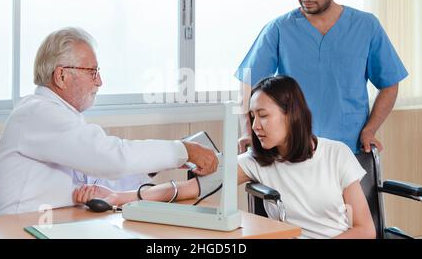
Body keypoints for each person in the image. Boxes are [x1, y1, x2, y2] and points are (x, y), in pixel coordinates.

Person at [74, 76, 376, 239]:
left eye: (264, 116)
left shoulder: (335, 154)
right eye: (252, 116)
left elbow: (364, 229)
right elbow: (190, 189)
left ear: (291, 114)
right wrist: (119, 197)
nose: (256, 126)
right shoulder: (258, 161)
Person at [0, 27, 218, 216]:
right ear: (61, 75)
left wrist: (159, 163)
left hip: (54, 222)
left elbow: (104, 179)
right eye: (92, 71)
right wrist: (183, 150)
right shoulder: (38, 114)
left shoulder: (62, 117)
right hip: (18, 229)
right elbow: (111, 158)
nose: (100, 82)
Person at [235, 0, 408, 154]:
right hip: (294, 148)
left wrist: (370, 130)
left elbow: (389, 84)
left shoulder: (366, 26)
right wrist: (247, 131)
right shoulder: (279, 29)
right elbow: (247, 84)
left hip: (350, 149)